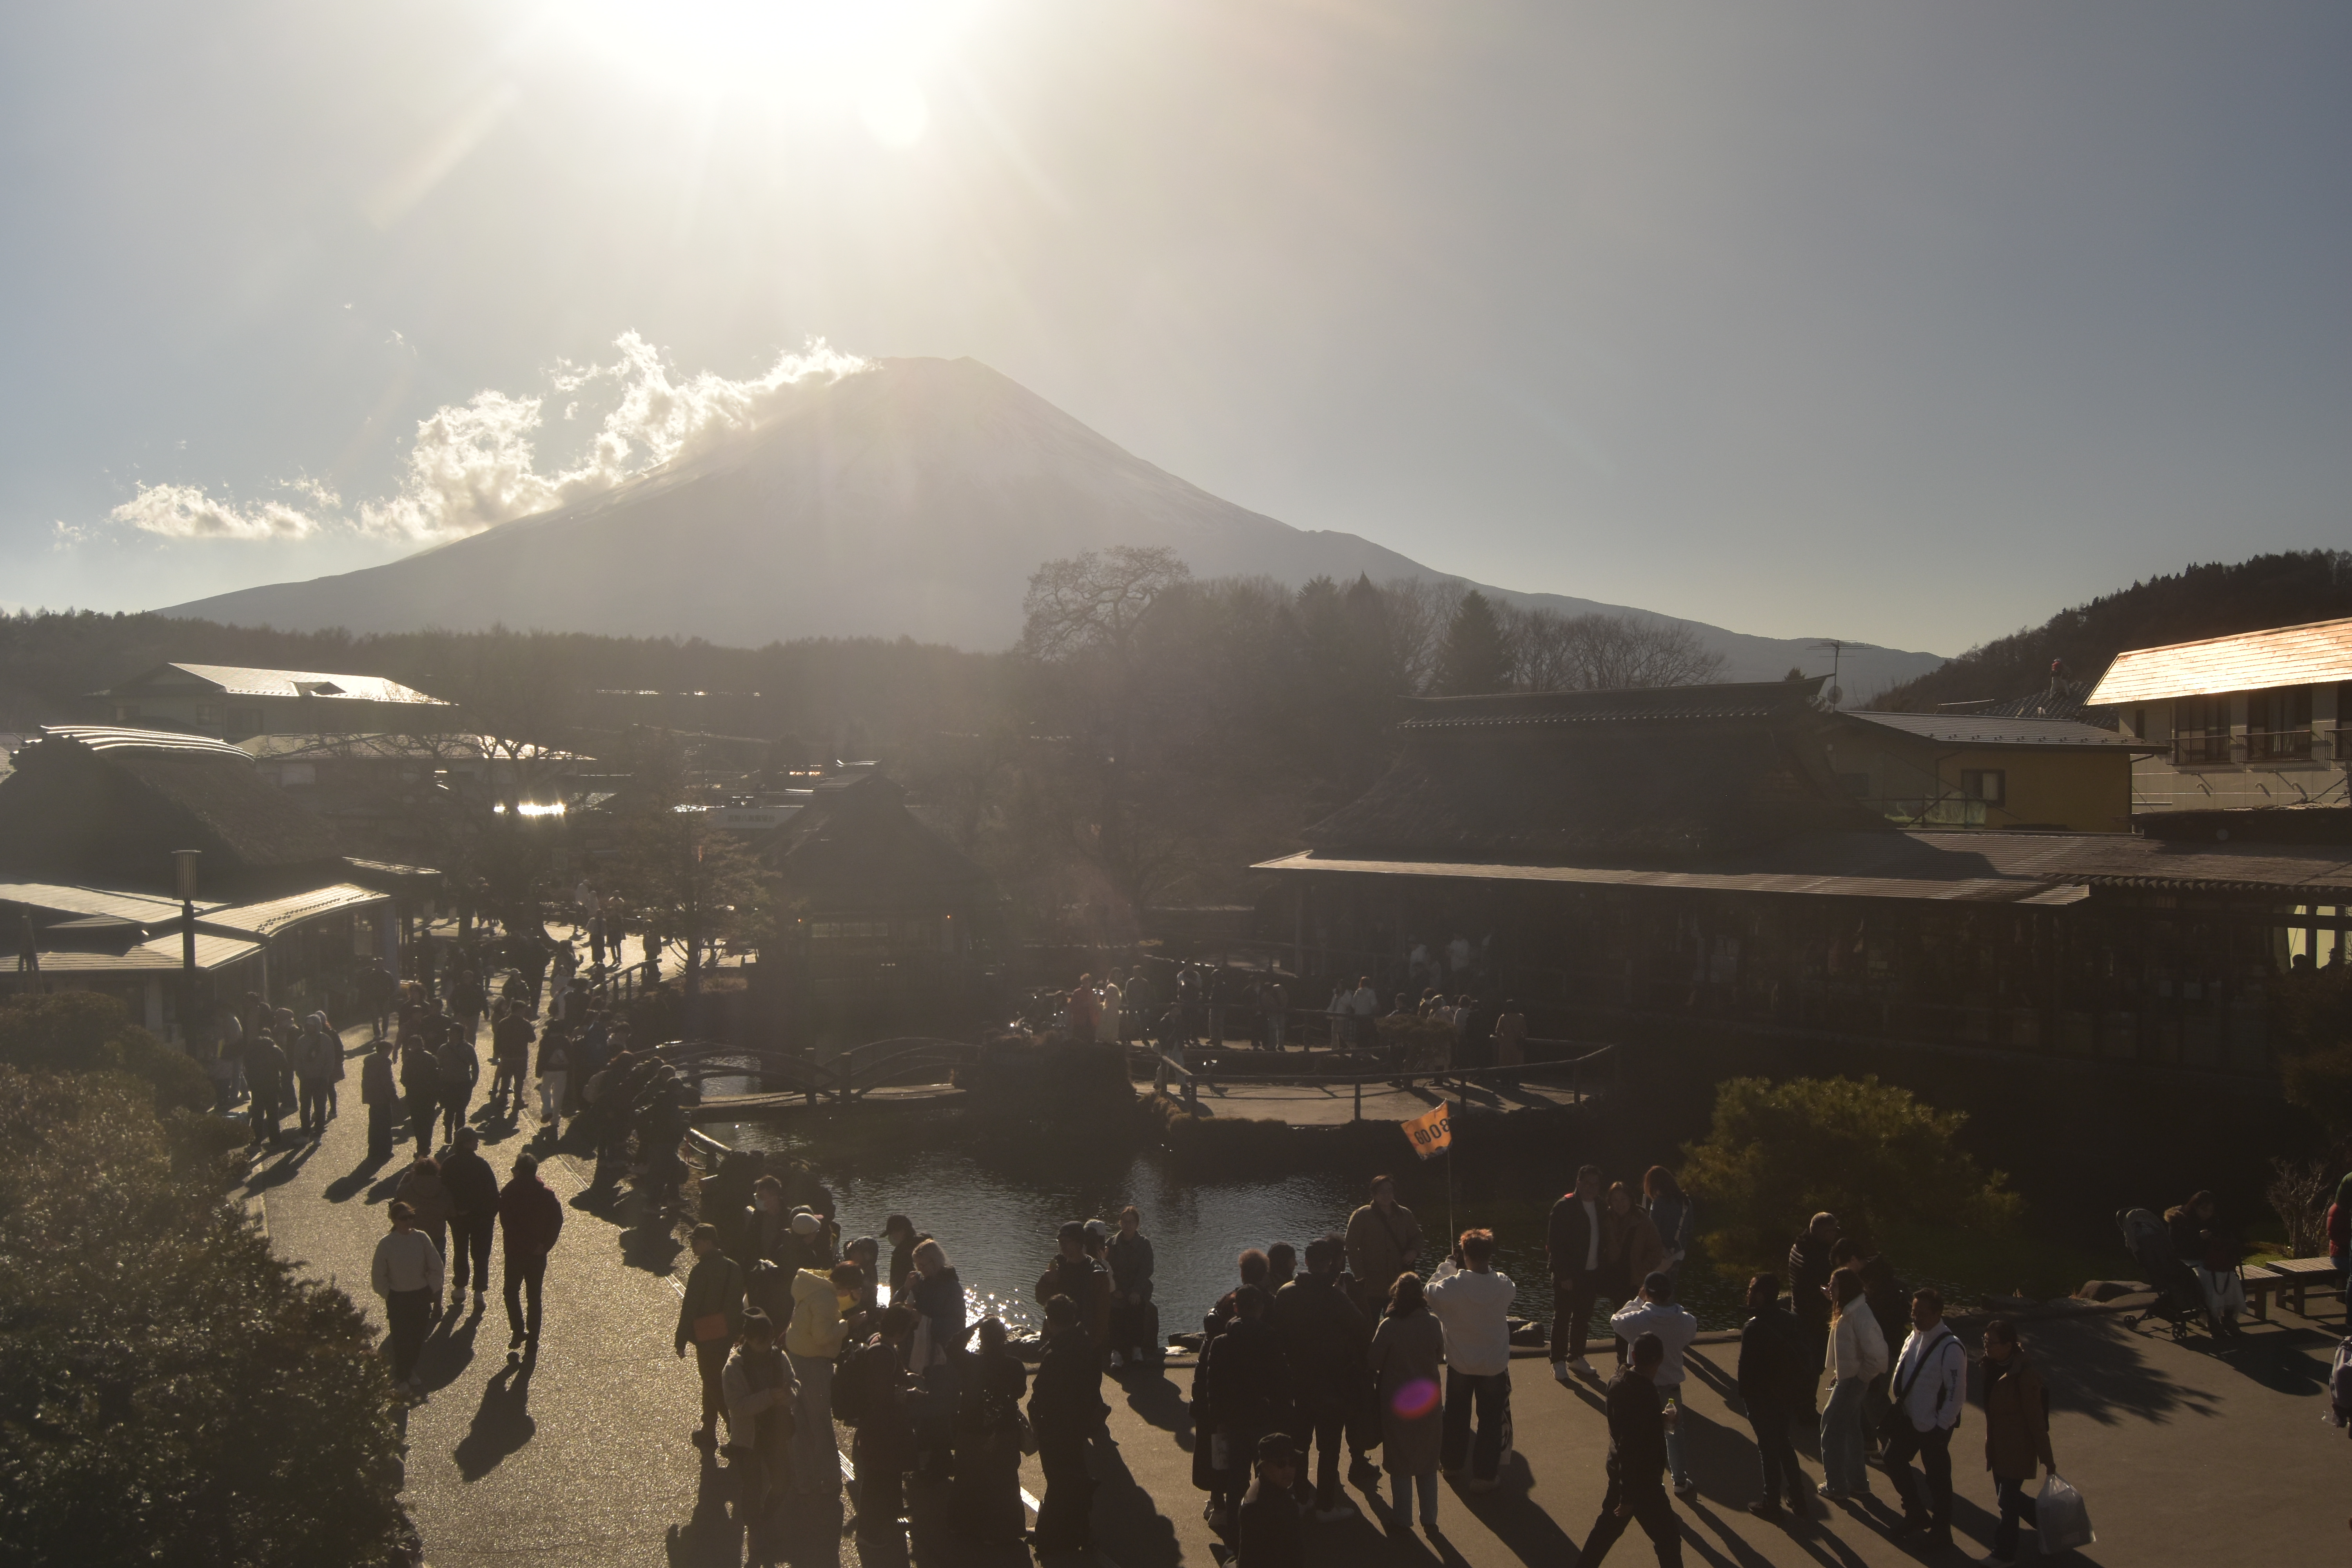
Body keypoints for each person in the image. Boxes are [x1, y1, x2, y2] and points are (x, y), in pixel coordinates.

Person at [1269, 1234, 1369, 1520]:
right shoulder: (1335, 1295)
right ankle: (1326, 1504)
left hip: (1299, 1380)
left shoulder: (1287, 1293)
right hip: (1333, 1382)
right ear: (1331, 1263)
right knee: (1329, 1448)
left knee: (1300, 1443)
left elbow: (1279, 1334)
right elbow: (1362, 1329)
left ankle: (1300, 1496)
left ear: (1306, 1261)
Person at [1577, 1332, 1684, 1567]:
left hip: (1621, 1472)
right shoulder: (1644, 1393)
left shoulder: (1619, 1381)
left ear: (1634, 1355)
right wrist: (1628, 1497)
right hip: (1642, 1480)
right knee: (1668, 1540)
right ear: (1660, 1360)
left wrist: (1660, 1420)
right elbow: (1631, 1445)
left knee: (1604, 1534)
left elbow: (1629, 1428)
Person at [1427, 1228, 1514, 1490]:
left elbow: (1430, 1291)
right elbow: (1501, 1285)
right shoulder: (1504, 1284)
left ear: (1465, 1255)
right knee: (1489, 1420)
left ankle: (1452, 1464)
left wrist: (1448, 1264)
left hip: (1461, 1363)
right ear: (1490, 1254)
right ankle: (1485, 1476)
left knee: (1455, 1415)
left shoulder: (1453, 1285)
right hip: (1493, 1364)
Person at [1884, 1286, 1967, 1550]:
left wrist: (1942, 1426)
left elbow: (1956, 1393)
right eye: (1913, 1311)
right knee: (1892, 1459)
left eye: (1921, 1313)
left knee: (1938, 1479)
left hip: (1933, 1426)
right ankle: (1916, 1513)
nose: (1915, 1317)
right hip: (1909, 1419)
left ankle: (1942, 1531)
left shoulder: (1951, 1347)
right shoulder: (1915, 1335)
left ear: (1937, 1314)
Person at [1207, 1283, 1289, 1535]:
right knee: (1268, 1474)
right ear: (1261, 1309)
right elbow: (1282, 1382)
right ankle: (1268, 1529)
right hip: (1265, 1416)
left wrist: (1219, 1419)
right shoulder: (1272, 1338)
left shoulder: (1221, 1343)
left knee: (1236, 1478)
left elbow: (1214, 1386)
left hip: (1234, 1419)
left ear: (1235, 1309)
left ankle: (1235, 1531)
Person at [1369, 1270, 1445, 1535]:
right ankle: (1430, 1519)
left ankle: (1403, 1519)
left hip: (1397, 1403)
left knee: (1400, 1462)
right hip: (1428, 1402)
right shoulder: (1433, 1323)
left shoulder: (1389, 1325)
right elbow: (1440, 1353)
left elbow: (1374, 1362)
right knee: (1428, 1462)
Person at [1610, 1270, 1698, 1496]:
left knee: (1641, 1433)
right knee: (1674, 1432)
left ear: (1647, 1292)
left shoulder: (1637, 1319)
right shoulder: (1686, 1321)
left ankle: (1649, 1481)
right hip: (1670, 1388)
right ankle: (1679, 1480)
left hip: (1640, 1388)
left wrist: (1638, 1301)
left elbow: (1615, 1320)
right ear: (1669, 1294)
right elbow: (1690, 1331)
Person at [1031, 1293, 1105, 1554]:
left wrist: (1035, 1419)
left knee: (1059, 1482)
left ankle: (1052, 1537)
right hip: (1077, 1424)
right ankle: (1079, 1531)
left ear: (1050, 1321)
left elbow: (1041, 1395)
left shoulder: (1055, 1355)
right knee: (1071, 1477)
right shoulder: (1084, 1346)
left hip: (1055, 1428)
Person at [1979, 1316, 2056, 1565]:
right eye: (1986, 1340)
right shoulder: (1991, 1367)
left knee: (2006, 1502)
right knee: (2010, 1499)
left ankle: (2004, 1554)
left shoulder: (2024, 1376)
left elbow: (2036, 1420)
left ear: (2009, 1346)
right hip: (1998, 1447)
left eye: (1993, 1342)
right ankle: (2051, 1526)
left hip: (2019, 1448)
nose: (1987, 1346)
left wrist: (2048, 1460)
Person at [1736, 1272, 1813, 1521]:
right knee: (1783, 1443)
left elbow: (1745, 1369)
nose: (1747, 1294)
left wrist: (1745, 1396)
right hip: (1787, 1394)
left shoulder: (1754, 1327)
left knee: (1768, 1450)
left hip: (1761, 1399)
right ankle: (1798, 1496)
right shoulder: (1791, 1319)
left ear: (1759, 1296)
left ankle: (1771, 1502)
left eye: (1750, 1290)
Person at [722, 1308, 797, 1557]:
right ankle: (754, 1530)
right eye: (760, 1341)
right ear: (748, 1339)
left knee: (782, 1482)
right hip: (748, 1439)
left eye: (769, 1339)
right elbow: (737, 1407)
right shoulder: (734, 1368)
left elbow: (794, 1381)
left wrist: (790, 1394)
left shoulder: (779, 1357)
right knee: (752, 1488)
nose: (766, 1346)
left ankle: (763, 1520)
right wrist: (769, 1398)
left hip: (776, 1432)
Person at [840, 1306, 920, 1543]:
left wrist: (906, 1379)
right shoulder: (883, 1354)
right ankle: (866, 1533)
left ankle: (893, 1510)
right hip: (881, 1425)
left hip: (880, 1424)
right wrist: (910, 1393)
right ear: (900, 1331)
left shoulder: (879, 1341)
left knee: (889, 1469)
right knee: (876, 1477)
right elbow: (883, 1395)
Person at [954, 1315, 1031, 1544]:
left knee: (971, 1477)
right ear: (1004, 1339)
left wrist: (974, 1326)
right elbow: (1019, 1392)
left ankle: (970, 1527)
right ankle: (1007, 1528)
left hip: (972, 1431)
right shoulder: (1014, 1365)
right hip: (1004, 1431)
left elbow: (952, 1347)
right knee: (1005, 1480)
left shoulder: (971, 1363)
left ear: (982, 1339)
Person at [785, 1259, 857, 1497]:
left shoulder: (812, 1284)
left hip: (795, 1356)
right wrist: (848, 1325)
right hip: (814, 1364)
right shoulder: (826, 1298)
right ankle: (831, 1479)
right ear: (845, 1286)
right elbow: (823, 1336)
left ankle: (802, 1476)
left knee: (801, 1420)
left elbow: (825, 1311)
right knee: (821, 1423)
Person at [1818, 1266, 1887, 1500]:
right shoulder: (1849, 1310)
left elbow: (1877, 1355)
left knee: (1831, 1429)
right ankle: (1858, 1483)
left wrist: (1861, 1377)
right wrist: (1842, 1371)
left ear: (1846, 1288)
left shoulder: (1859, 1314)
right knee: (1851, 1431)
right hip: (1849, 1378)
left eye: (1834, 1285)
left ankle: (1836, 1486)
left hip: (1853, 1382)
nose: (1830, 1289)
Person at [677, 1223, 747, 1450]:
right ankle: (708, 1428)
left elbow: (690, 1307)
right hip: (726, 1333)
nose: (693, 1246)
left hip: (706, 1333)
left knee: (711, 1381)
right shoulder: (733, 1268)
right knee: (713, 1379)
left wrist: (681, 1339)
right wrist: (738, 1331)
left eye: (696, 1241)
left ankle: (733, 1426)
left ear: (709, 1242)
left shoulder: (701, 1271)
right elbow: (738, 1304)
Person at [908, 1238, 967, 1483]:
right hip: (925, 1355)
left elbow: (956, 1325)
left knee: (938, 1411)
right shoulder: (923, 1284)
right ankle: (929, 1461)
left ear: (936, 1261)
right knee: (925, 1409)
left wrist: (923, 1319)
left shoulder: (951, 1288)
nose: (921, 1270)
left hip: (940, 1357)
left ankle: (939, 1462)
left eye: (924, 1265)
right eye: (918, 1266)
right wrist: (906, 1288)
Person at [372, 1200, 444, 1399]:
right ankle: (402, 1377)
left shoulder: (421, 1238)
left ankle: (409, 1369)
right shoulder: (387, 1244)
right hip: (398, 1298)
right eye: (404, 1218)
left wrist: (432, 1287)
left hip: (420, 1295)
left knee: (417, 1336)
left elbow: (436, 1265)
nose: (408, 1221)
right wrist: (390, 1295)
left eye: (411, 1217)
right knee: (401, 1338)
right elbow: (379, 1276)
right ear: (394, 1220)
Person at [497, 1151, 562, 1356]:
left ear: (518, 1171)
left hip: (516, 1252)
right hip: (538, 1254)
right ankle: (533, 1338)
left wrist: (528, 1244)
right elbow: (557, 1221)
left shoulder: (508, 1192)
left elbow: (508, 1225)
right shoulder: (547, 1194)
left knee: (511, 1291)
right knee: (534, 1296)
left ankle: (518, 1330)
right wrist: (544, 1245)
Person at [1547, 1164, 1609, 1380]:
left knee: (1583, 1318)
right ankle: (1558, 1361)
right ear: (1579, 1183)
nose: (1592, 1188)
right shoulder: (1565, 1206)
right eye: (1588, 1183)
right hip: (1568, 1275)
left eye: (1596, 1184)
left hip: (1591, 1273)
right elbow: (1555, 1245)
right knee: (1562, 1318)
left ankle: (1576, 1357)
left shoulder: (1602, 1207)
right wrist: (1563, 1276)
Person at [2167, 1191, 2248, 1338]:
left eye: (2211, 1210)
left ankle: (2229, 1318)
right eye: (2204, 1209)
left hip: (2209, 1259)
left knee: (2230, 1275)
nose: (2208, 1214)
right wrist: (2198, 1238)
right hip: (2187, 1259)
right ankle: (2213, 1320)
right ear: (2195, 1207)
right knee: (2209, 1277)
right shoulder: (2179, 1220)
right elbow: (2178, 1248)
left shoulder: (2213, 1221)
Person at [1345, 1175, 1425, 1320]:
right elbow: (1351, 1248)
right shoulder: (1362, 1216)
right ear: (1374, 1193)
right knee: (1370, 1325)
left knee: (1399, 1325)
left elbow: (1418, 1237)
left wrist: (1413, 1251)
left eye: (1390, 1190)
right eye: (1382, 1191)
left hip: (1399, 1285)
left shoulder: (1405, 1214)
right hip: (1371, 1286)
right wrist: (1361, 1276)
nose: (1387, 1194)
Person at [1606, 1183, 1668, 1364]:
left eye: (1623, 1199)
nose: (1620, 1204)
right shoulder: (1607, 1219)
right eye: (1615, 1200)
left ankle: (1639, 1361)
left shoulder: (1643, 1220)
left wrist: (1644, 1271)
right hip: (1614, 1279)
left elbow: (1656, 1250)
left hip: (1634, 1280)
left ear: (1631, 1200)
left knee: (1636, 1323)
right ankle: (1622, 1361)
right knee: (1619, 1323)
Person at [440, 1127, 499, 1309]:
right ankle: (479, 1293)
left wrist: (454, 1212)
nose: (477, 1142)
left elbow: (444, 1192)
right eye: (473, 1140)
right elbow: (492, 1194)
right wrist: (489, 1215)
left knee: (460, 1250)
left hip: (458, 1218)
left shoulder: (449, 1164)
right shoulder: (482, 1165)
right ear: (465, 1143)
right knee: (481, 1255)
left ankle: (459, 1287)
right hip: (482, 1219)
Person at [1237, 1431, 1304, 1566]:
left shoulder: (1277, 1486)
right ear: (1265, 1465)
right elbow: (1249, 1560)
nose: (1288, 1469)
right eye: (1281, 1464)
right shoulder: (1257, 1508)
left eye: (1292, 1462)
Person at [1788, 1212, 1841, 1378]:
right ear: (1826, 1233)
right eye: (1834, 1230)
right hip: (1814, 1321)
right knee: (1813, 1367)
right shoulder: (1819, 1259)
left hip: (1798, 1312)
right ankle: (1807, 1403)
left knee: (1802, 1366)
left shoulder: (1799, 1246)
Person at [1108, 1204, 1158, 1366]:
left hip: (1139, 1288)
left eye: (1131, 1222)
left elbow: (1146, 1270)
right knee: (1115, 1311)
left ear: (1137, 1225)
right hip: (1118, 1289)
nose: (1128, 1225)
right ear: (1120, 1223)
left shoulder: (1144, 1244)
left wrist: (1136, 1291)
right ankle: (1116, 1352)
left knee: (1136, 1308)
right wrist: (1115, 1290)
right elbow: (1107, 1269)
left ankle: (1136, 1348)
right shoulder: (1112, 1244)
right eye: (1125, 1222)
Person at [394, 1151, 452, 1270]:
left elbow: (398, 1195)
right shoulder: (443, 1189)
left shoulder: (408, 1189)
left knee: (416, 1266)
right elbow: (451, 1212)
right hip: (437, 1233)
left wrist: (407, 1176)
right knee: (438, 1264)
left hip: (414, 1233)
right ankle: (437, 1288)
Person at [1642, 1168, 1693, 1289]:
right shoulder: (1687, 1203)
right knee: (1669, 1291)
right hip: (1678, 1255)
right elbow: (1690, 1228)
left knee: (1653, 1291)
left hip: (1660, 1256)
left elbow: (1652, 1231)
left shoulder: (1659, 1203)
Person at [244, 1023, 289, 1147]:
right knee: (273, 1115)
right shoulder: (274, 1049)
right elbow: (285, 1067)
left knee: (257, 1115)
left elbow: (246, 1068)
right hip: (272, 1086)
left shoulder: (252, 1050)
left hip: (257, 1087)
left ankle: (255, 1142)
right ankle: (275, 1141)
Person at [436, 1026, 480, 1146]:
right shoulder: (443, 1048)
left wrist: (473, 1082)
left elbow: (475, 1066)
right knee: (449, 1110)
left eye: (453, 1033)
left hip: (464, 1084)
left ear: (460, 1034)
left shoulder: (468, 1048)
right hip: (448, 1084)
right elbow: (438, 1066)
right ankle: (448, 1132)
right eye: (449, 1033)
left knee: (461, 1111)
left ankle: (459, 1135)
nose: (450, 1035)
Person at [400, 1031, 440, 1155]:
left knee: (417, 1123)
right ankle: (426, 1145)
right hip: (429, 1096)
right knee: (428, 1122)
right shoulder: (431, 1058)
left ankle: (421, 1147)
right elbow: (438, 1076)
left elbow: (404, 1079)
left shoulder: (409, 1060)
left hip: (414, 1096)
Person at [360, 1034, 399, 1162]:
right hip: (383, 1099)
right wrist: (394, 1098)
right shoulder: (384, 1063)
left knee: (374, 1125)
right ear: (384, 1051)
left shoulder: (369, 1062)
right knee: (386, 1125)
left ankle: (373, 1151)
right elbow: (387, 1082)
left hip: (373, 1098)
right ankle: (386, 1151)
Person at [535, 1021, 568, 1136]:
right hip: (562, 1070)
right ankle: (555, 1120)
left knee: (545, 1089)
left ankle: (547, 1110)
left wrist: (538, 1071)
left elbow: (541, 1057)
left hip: (548, 1070)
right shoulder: (565, 1041)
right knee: (559, 1094)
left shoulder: (546, 1040)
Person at [1491, 1000, 1526, 1089]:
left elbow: (1498, 1031)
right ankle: (1515, 1083)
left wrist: (1501, 1040)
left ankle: (1504, 1083)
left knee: (1505, 1064)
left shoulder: (1503, 1018)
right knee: (1516, 1065)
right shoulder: (1521, 1017)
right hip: (1517, 1045)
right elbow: (1525, 1031)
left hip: (1505, 1045)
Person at [1262, 976, 1288, 1053]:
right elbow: (1266, 1006)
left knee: (1282, 1029)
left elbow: (1286, 997)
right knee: (1272, 1029)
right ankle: (1273, 1045)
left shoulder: (1279, 988)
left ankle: (1281, 1045)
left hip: (1282, 1011)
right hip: (1273, 1013)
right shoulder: (1265, 996)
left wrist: (1284, 1007)